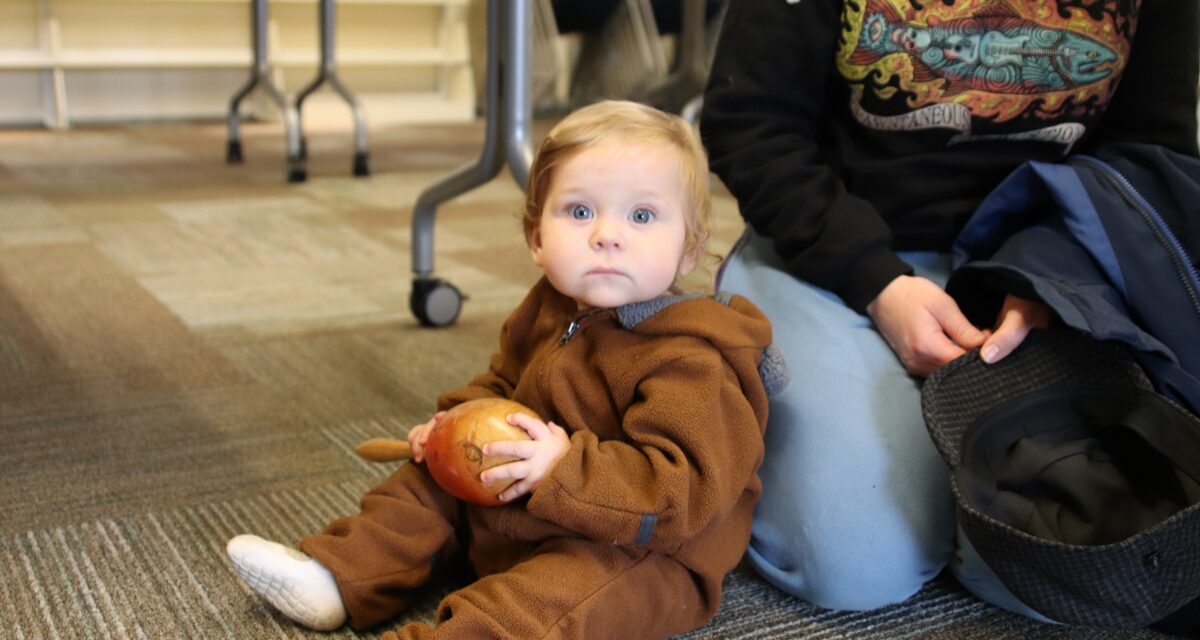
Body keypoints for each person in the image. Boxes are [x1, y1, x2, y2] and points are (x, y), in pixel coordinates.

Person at [699, 0, 1198, 624]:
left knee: (1069, 561)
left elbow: (1152, 150)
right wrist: (874, 280)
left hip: (1047, 257)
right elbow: (750, 124)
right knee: (854, 560)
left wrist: (1054, 277)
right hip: (831, 242)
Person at [225, 100, 786, 639]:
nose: (606, 234)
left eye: (642, 215)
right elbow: (502, 385)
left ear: (688, 250)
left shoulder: (694, 358)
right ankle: (339, 576)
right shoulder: (552, 305)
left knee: (545, 605)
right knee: (422, 489)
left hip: (636, 549)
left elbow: (682, 494)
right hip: (525, 500)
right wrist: (452, 424)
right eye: (580, 210)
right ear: (537, 238)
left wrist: (564, 469)